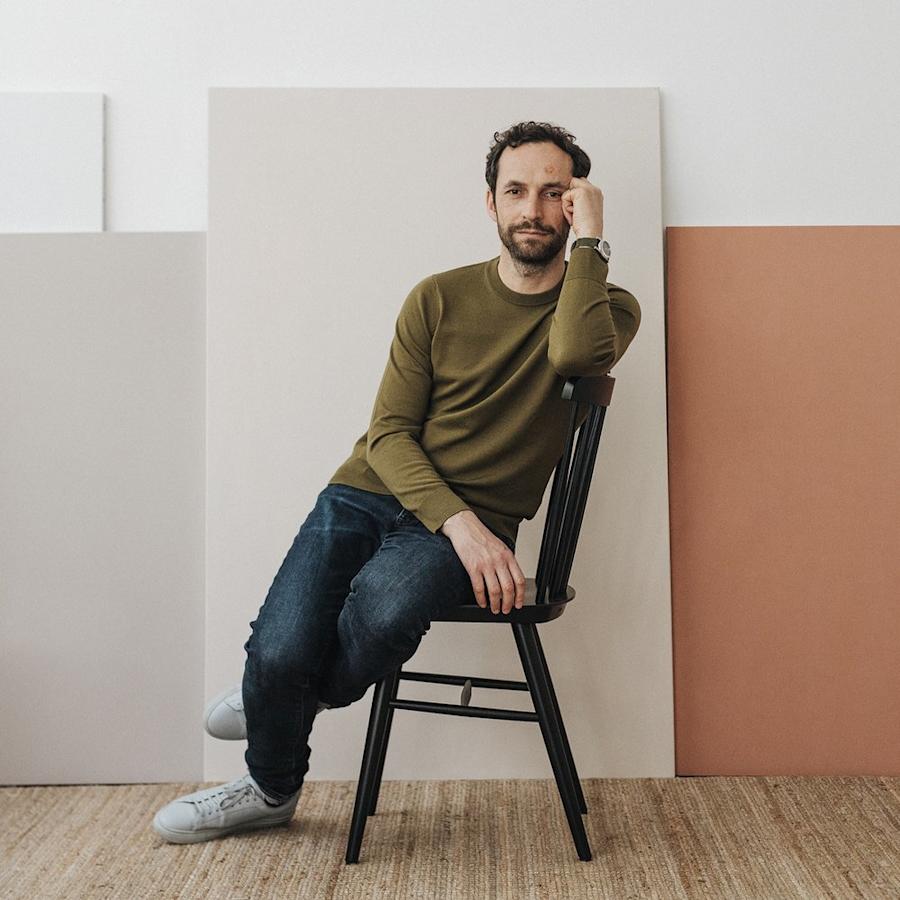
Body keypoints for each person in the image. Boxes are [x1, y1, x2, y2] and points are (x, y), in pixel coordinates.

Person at [152, 120, 641, 843]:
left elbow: (573, 354)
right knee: (279, 650)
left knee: (381, 614)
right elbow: (387, 434)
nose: (532, 210)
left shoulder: (609, 307)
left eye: (553, 193)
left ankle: (275, 714)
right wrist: (459, 524)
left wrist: (593, 241)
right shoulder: (436, 297)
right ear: (491, 203)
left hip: (477, 514)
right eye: (515, 191)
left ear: (575, 204)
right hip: (370, 490)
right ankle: (272, 784)